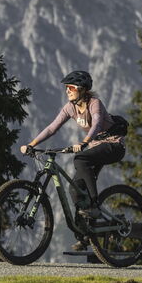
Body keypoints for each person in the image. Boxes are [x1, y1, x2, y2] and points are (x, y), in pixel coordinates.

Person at [20, 70, 125, 226]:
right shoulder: (70, 107)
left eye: (71, 87)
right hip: (96, 148)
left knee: (81, 159)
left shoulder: (94, 103)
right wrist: (31, 145)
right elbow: (52, 128)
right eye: (66, 87)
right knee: (75, 189)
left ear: (82, 89)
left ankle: (94, 206)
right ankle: (84, 232)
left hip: (113, 145)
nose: (67, 90)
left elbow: (96, 124)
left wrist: (84, 142)